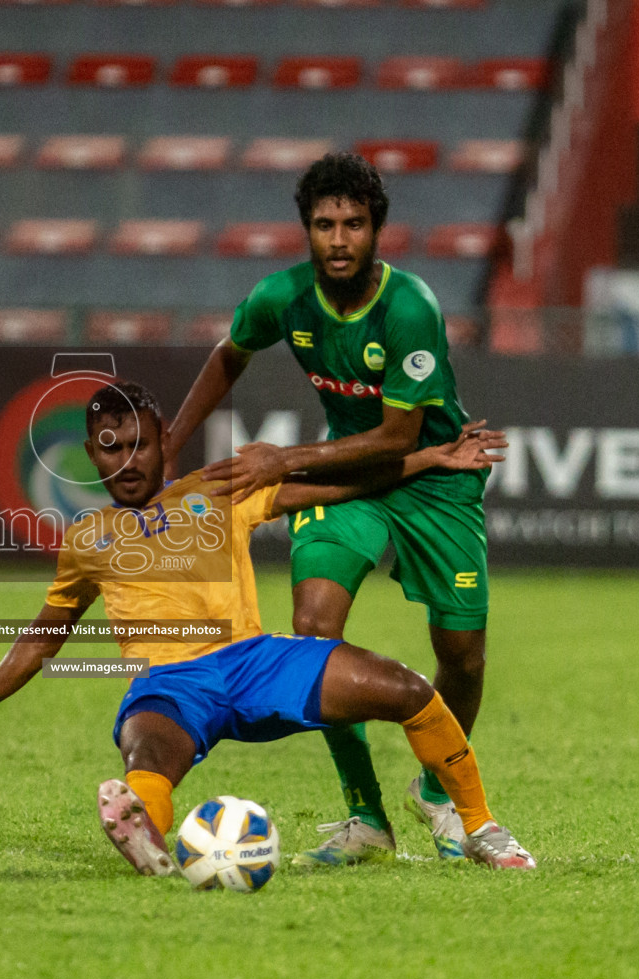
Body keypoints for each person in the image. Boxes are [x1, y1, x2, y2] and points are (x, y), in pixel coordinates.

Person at [0, 381, 534, 875]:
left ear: (163, 439)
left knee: (411, 690)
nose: (127, 460)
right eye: (110, 448)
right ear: (91, 453)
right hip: (171, 686)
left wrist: (429, 458)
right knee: (147, 756)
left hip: (257, 662)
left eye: (139, 443)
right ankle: (140, 828)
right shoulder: (86, 539)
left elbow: (336, 487)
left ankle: (479, 827)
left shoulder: (217, 489)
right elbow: (43, 638)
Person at [162, 152, 495, 867]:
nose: (339, 238)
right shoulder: (280, 297)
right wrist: (169, 441)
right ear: (305, 230)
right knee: (314, 631)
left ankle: (437, 789)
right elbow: (230, 352)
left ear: (377, 230)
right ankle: (366, 816)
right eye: (324, 225)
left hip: (433, 477)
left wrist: (283, 459)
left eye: (353, 223)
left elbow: (400, 438)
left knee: (462, 656)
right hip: (348, 480)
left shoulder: (410, 308)